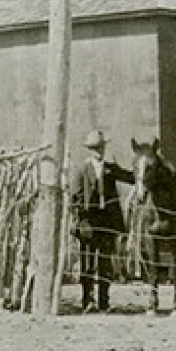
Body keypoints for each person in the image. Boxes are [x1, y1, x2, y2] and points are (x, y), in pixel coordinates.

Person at [71, 129, 134, 313]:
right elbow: (75, 198)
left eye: (100, 147)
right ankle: (87, 301)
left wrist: (140, 167)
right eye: (94, 148)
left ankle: (104, 302)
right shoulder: (82, 169)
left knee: (105, 263)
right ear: (89, 150)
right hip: (89, 222)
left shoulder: (110, 168)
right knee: (88, 263)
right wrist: (81, 221)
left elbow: (129, 177)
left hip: (107, 222)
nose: (98, 151)